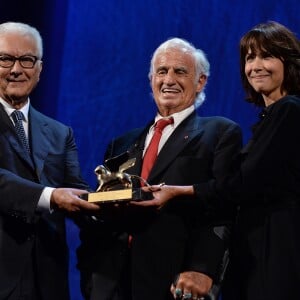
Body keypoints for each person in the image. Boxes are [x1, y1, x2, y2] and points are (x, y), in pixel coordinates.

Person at [77, 37, 242, 300]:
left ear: (201, 81)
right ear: (151, 79)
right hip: (110, 284)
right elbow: (102, 213)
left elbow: (225, 206)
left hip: (173, 283)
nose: (169, 80)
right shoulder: (122, 143)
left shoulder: (220, 133)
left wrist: (203, 269)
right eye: (161, 72)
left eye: (180, 72)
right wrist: (90, 274)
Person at [0, 22, 100, 300]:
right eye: (6, 59)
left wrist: (115, 206)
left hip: (48, 280)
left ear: (40, 70)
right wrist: (51, 196)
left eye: (27, 60)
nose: (16, 69)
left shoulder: (59, 132)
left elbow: (77, 192)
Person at [220, 21, 300, 300]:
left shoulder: (290, 110)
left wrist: (184, 191)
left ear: (288, 62)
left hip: (276, 250)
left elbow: (245, 182)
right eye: (249, 57)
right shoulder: (273, 117)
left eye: (267, 56)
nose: (256, 65)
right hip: (259, 249)